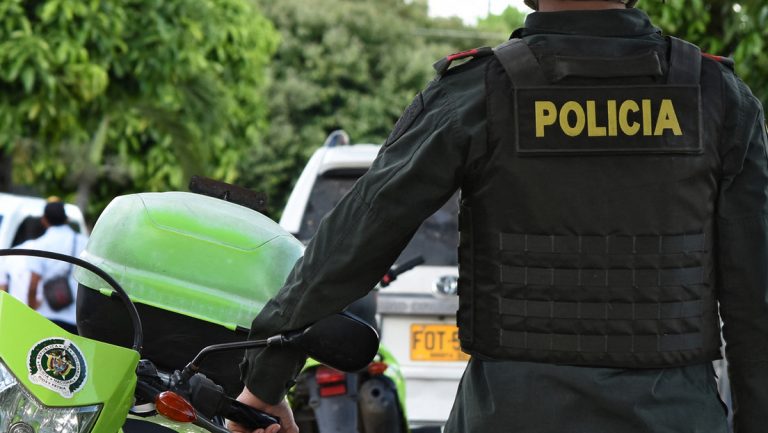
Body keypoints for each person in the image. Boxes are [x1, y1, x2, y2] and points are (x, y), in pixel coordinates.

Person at [230, 1, 768, 432]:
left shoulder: (477, 91)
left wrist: (265, 379)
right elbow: (755, 305)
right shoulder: (719, 98)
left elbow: (355, 238)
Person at [25, 201, 88, 334]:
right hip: (76, 319)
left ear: (44, 220)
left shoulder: (40, 244)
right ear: (67, 219)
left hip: (47, 317)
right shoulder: (85, 242)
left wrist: (31, 309)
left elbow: (33, 285)